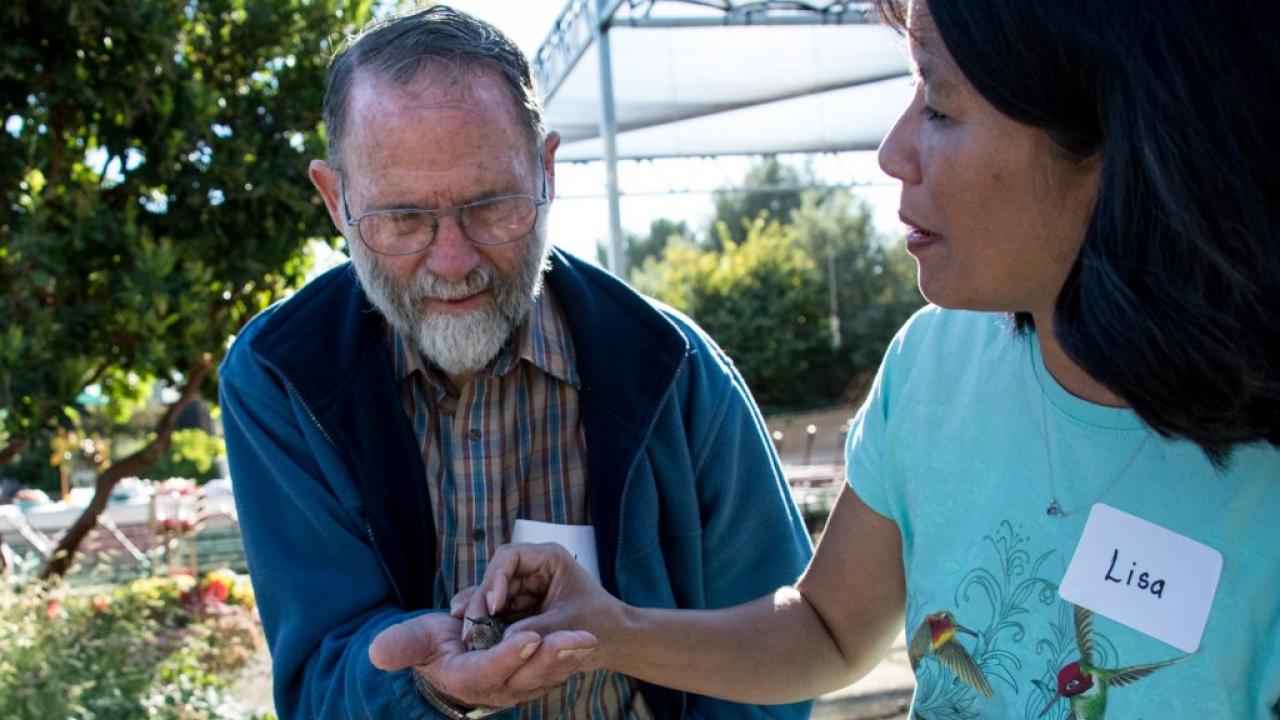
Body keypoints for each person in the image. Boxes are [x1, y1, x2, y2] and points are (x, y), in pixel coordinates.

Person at [463, 0, 1280, 718]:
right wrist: (612, 630)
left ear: (1118, 137)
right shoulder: (933, 367)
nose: (893, 151)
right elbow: (825, 628)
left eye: (942, 106)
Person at [217, 5, 812, 719]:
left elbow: (779, 647)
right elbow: (317, 678)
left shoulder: (671, 367)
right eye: (403, 219)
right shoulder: (281, 378)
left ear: (547, 169)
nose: (452, 260)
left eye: (492, 205)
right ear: (336, 202)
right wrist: (425, 688)